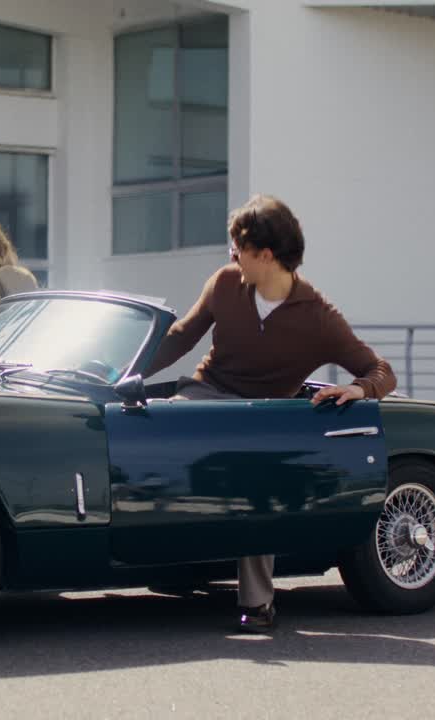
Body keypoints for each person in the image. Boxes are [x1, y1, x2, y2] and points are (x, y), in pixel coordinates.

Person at [145, 194, 397, 633]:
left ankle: (258, 604)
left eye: (236, 249)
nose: (231, 257)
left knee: (255, 482)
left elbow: (381, 371)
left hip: (261, 418)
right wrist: (123, 371)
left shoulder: (318, 317)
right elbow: (181, 338)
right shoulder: (225, 283)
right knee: (157, 433)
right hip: (206, 396)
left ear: (265, 255)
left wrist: (358, 388)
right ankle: (164, 558)